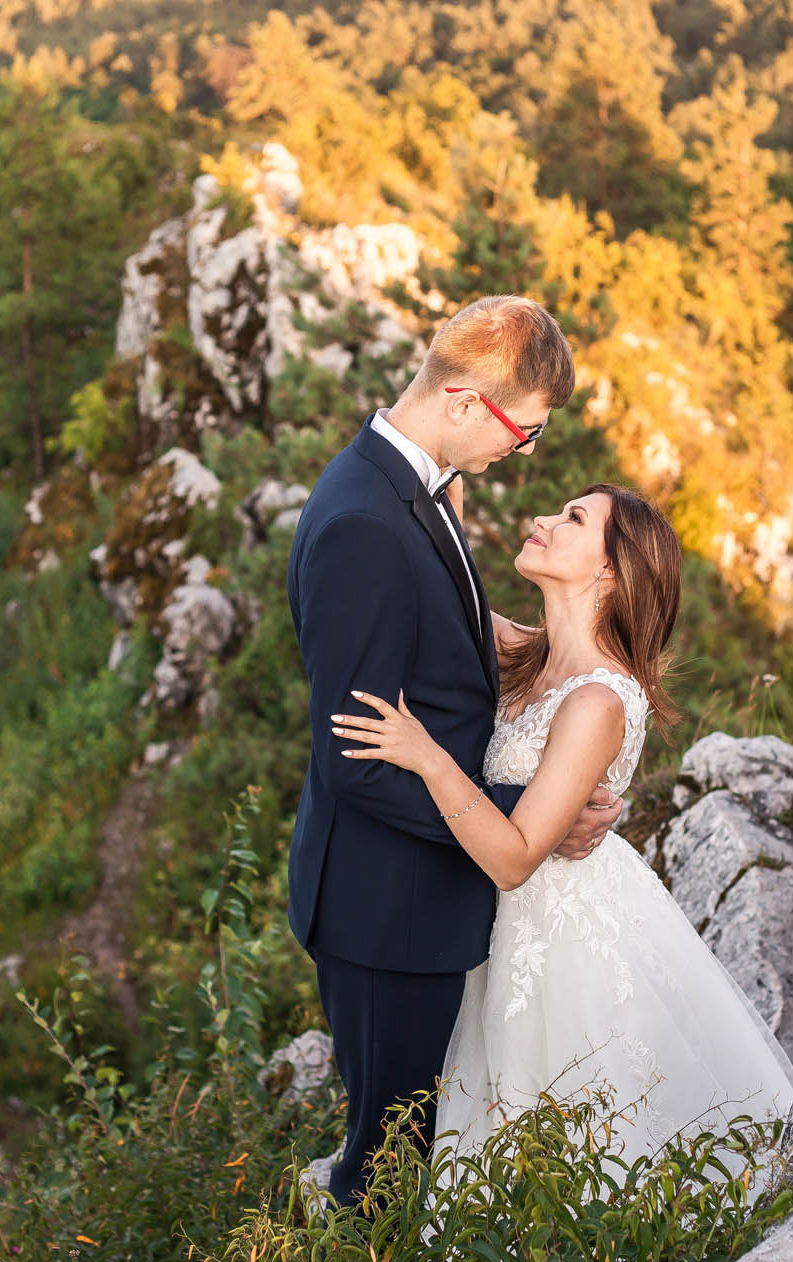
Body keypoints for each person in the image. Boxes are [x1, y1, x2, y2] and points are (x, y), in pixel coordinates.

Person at [329, 483, 793, 1172]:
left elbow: (517, 856)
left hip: (561, 949)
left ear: (612, 569)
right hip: (501, 940)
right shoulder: (528, 654)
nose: (542, 520)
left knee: (570, 1148)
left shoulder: (600, 701)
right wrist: (437, 509)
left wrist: (426, 756)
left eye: (572, 518)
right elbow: (444, 598)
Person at [285, 295, 626, 1209]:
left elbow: (467, 654)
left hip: (420, 903)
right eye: (526, 432)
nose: (525, 453)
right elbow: (356, 761)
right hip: (382, 910)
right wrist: (526, 827)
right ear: (469, 402)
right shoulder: (364, 521)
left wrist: (561, 783)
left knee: (423, 1146)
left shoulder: (416, 492)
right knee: (388, 1166)